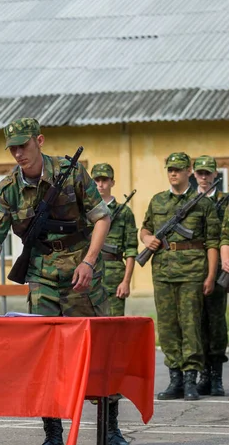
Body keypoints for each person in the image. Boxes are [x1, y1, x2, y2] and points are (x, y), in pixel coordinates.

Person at [0, 117, 128, 445]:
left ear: (40, 140)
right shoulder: (8, 188)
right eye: (13, 148)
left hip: (82, 272)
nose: (19, 153)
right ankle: (52, 434)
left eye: (24, 145)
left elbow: (101, 218)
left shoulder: (72, 172)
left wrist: (89, 262)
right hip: (41, 274)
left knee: (98, 351)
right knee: (45, 354)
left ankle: (110, 429)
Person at [140, 152, 220, 401]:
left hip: (192, 273)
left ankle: (190, 380)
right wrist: (147, 239)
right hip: (163, 272)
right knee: (167, 328)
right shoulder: (157, 201)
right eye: (170, 169)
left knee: (191, 326)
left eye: (178, 169)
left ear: (189, 172)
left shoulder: (203, 204)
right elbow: (145, 227)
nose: (173, 173)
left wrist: (210, 275)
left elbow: (212, 243)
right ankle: (174, 377)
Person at [193, 156, 228, 396]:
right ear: (194, 175)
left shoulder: (224, 201)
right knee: (196, 323)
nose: (204, 177)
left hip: (217, 269)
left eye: (208, 173)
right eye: (200, 173)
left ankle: (216, 376)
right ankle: (202, 375)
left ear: (216, 175)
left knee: (216, 323)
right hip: (192, 268)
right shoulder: (188, 201)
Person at [91, 163, 138, 316]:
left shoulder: (125, 213)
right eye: (97, 180)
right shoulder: (85, 211)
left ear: (112, 182)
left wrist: (126, 282)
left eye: (104, 180)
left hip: (114, 277)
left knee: (115, 327)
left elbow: (131, 250)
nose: (100, 184)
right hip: (90, 275)